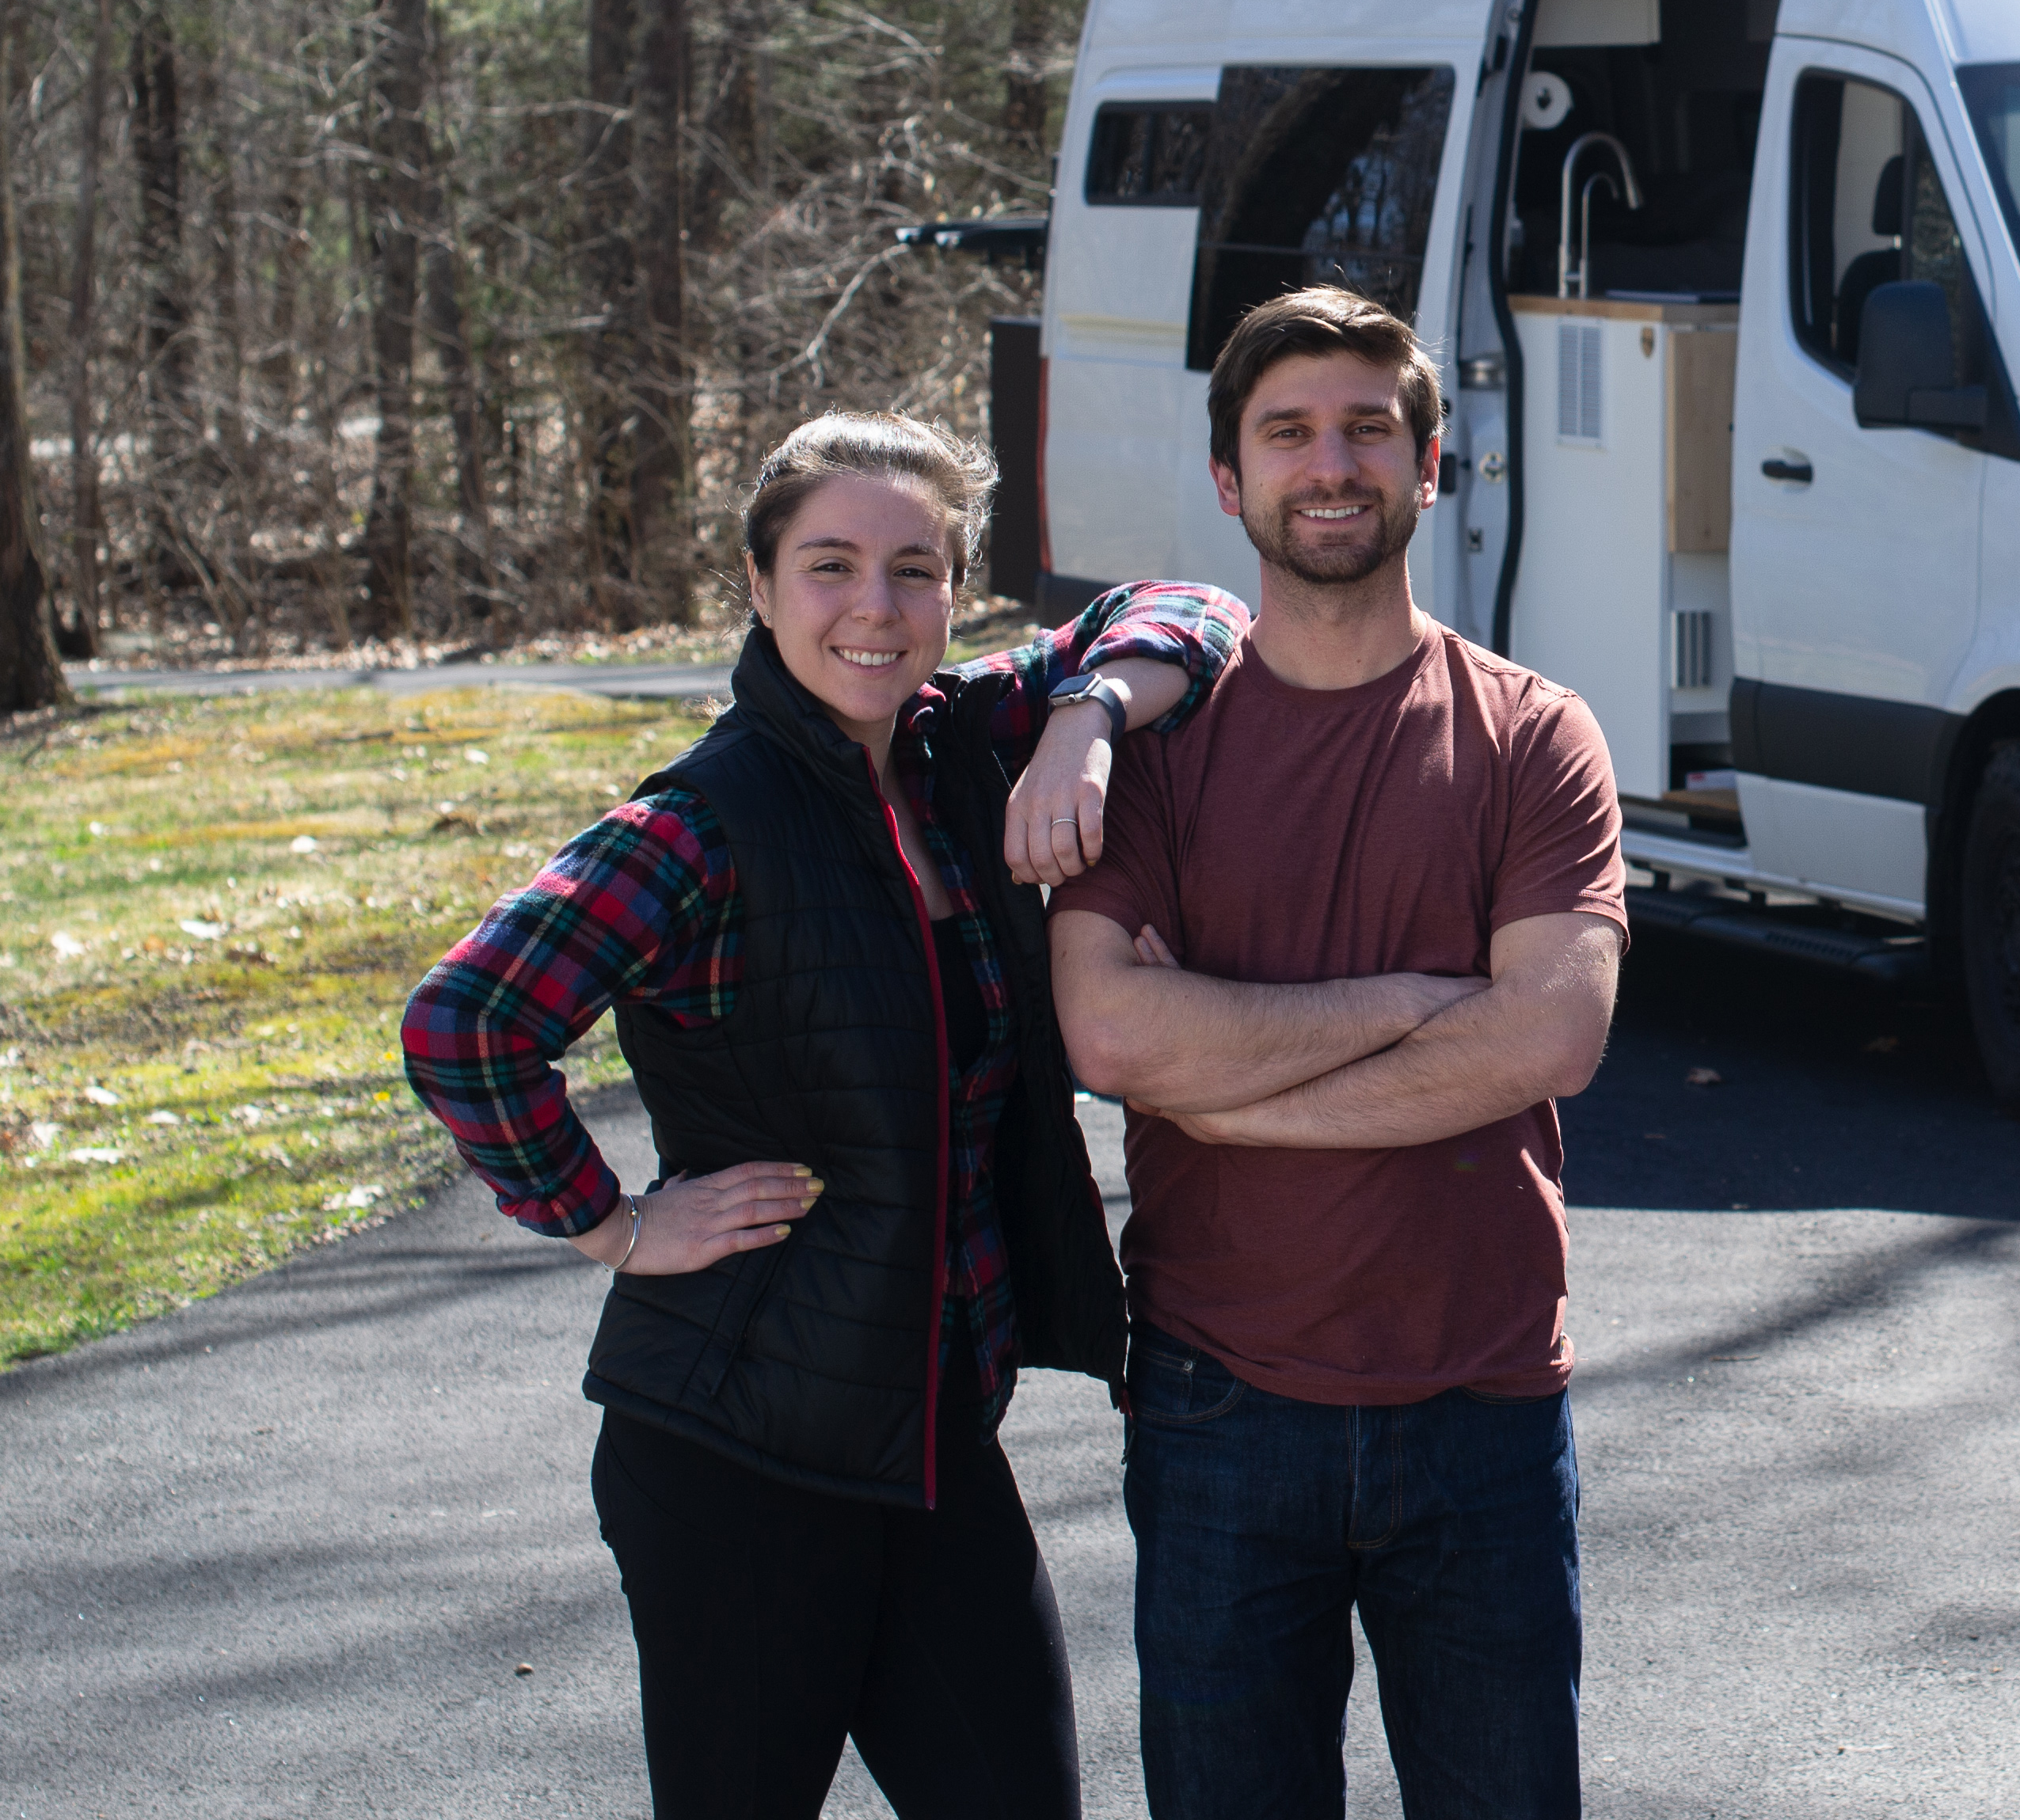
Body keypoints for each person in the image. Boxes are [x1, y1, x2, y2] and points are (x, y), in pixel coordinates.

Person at [401, 411, 1248, 1820]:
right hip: (742, 1461)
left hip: (931, 1449)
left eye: (916, 570)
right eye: (831, 565)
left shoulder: (969, 742)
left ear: (957, 587)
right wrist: (611, 1226)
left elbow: (1192, 607)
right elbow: (466, 1023)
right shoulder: (697, 829)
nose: (876, 607)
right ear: (759, 585)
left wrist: (1088, 720)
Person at [1048, 287, 1626, 1820]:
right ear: (1230, 481)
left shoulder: (1532, 733)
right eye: (1289, 432)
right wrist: (1424, 1000)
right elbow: (1109, 1030)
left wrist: (1231, 1098)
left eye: (1371, 429)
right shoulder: (1154, 755)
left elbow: (1555, 1033)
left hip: (1484, 1400)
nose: (1334, 464)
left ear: (1431, 468)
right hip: (1220, 1402)